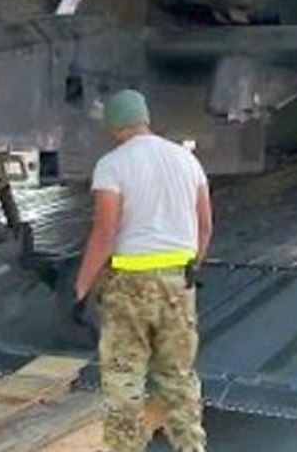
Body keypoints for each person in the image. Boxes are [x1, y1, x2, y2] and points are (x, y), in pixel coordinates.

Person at [72, 89, 212, 452]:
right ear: (144, 118)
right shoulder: (187, 161)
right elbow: (205, 226)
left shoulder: (113, 165)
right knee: (179, 381)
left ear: (115, 124)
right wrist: (187, 270)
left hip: (129, 287)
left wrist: (82, 287)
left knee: (124, 383)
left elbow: (105, 232)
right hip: (178, 282)